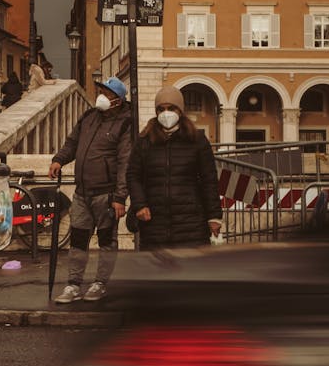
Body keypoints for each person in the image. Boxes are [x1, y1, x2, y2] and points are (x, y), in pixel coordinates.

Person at [48, 76, 132, 303]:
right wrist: (59, 160)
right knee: (78, 240)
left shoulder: (125, 123)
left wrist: (120, 197)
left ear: (118, 100)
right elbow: (72, 143)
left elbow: (126, 162)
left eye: (108, 93)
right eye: (101, 91)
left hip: (106, 195)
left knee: (106, 241)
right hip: (82, 193)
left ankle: (100, 283)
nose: (102, 96)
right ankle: (73, 285)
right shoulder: (89, 117)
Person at [127, 85, 222, 250]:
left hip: (191, 225)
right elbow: (133, 175)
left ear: (180, 110)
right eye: (161, 109)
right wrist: (140, 204)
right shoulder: (144, 141)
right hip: (154, 225)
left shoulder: (197, 140)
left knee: (190, 272)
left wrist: (214, 216)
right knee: (157, 273)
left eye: (171, 108)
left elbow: (209, 179)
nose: (166, 113)